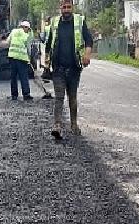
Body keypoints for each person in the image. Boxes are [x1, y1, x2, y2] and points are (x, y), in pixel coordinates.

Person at [45, 0, 93, 138]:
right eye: (63, 7)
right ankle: (57, 125)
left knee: (72, 97)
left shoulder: (79, 21)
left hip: (74, 67)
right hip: (58, 68)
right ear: (60, 8)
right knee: (59, 97)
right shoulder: (54, 22)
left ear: (72, 7)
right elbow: (48, 44)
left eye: (68, 7)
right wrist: (47, 63)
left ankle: (74, 124)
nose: (66, 10)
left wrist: (87, 55)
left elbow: (89, 40)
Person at [7, 21, 34, 101]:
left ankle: (14, 95)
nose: (27, 30)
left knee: (13, 77)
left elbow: (8, 41)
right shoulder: (27, 35)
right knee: (23, 77)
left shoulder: (13, 31)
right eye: (27, 28)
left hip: (12, 57)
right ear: (26, 28)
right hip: (22, 58)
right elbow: (28, 48)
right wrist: (29, 57)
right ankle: (26, 94)